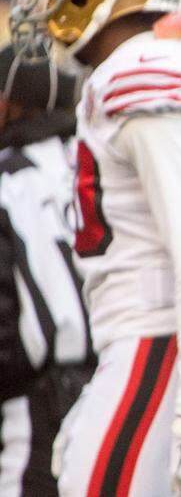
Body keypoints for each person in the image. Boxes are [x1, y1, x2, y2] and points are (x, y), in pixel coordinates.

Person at [8, 0, 181, 497]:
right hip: (136, 348)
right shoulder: (115, 78)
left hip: (156, 345)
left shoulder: (139, 74)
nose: (40, 6)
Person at [0, 46, 92, 497]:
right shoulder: (98, 165)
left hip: (35, 406)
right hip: (116, 383)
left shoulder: (11, 180)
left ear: (11, 105)